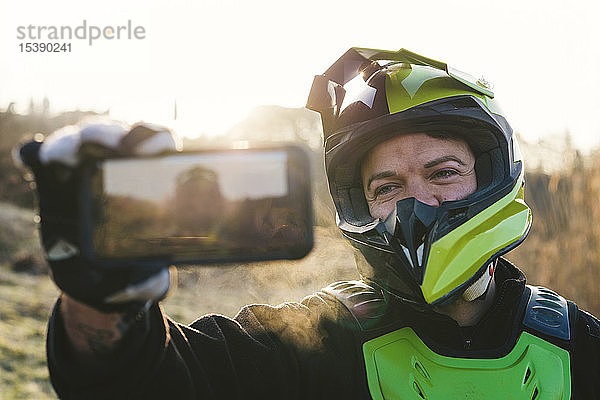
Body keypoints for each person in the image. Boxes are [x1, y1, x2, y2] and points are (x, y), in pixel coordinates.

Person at [21, 48, 600, 399]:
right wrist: (104, 302)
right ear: (359, 205)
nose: (413, 203)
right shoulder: (315, 339)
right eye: (386, 187)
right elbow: (145, 385)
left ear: (494, 174)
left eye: (444, 172)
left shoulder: (582, 345)